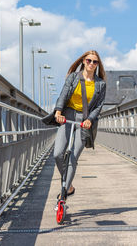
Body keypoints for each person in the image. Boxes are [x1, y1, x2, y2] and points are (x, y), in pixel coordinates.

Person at [53, 50, 106, 201]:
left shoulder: (101, 84)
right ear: (83, 61)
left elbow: (98, 106)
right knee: (57, 154)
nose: (91, 64)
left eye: (95, 62)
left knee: (73, 157)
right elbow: (63, 94)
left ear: (98, 65)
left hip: (84, 120)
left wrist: (90, 119)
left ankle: (63, 193)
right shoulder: (73, 77)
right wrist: (58, 112)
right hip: (68, 116)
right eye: (89, 60)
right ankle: (69, 186)